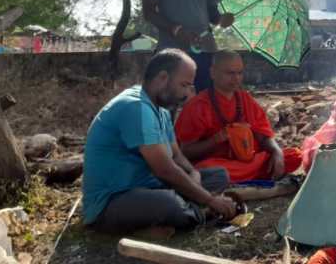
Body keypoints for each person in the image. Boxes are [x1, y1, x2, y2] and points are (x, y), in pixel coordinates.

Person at [82, 49, 238, 233]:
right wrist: (210, 200)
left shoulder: (161, 110)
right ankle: (199, 214)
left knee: (219, 175)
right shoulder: (135, 107)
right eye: (184, 85)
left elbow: (177, 155)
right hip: (113, 202)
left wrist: (192, 172)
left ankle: (180, 214)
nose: (187, 94)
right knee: (170, 204)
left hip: (148, 186)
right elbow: (164, 169)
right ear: (163, 78)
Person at [175, 50, 302, 183]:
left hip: (248, 161)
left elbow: (263, 137)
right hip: (219, 164)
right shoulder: (198, 105)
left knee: (293, 156)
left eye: (239, 73)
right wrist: (215, 140)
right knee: (210, 170)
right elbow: (186, 152)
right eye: (230, 73)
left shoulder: (245, 99)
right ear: (213, 73)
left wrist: (278, 153)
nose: (236, 78)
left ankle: (239, 177)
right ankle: (241, 177)